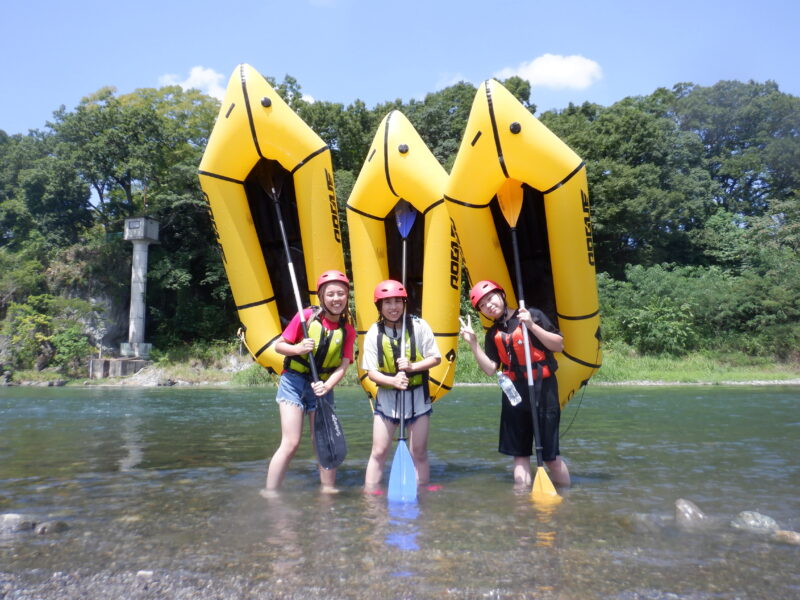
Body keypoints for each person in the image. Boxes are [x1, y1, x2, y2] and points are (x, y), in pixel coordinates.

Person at [459, 280, 571, 487]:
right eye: (482, 305)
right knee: (519, 456)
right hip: (515, 394)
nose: (489, 305)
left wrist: (531, 325)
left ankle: (567, 499)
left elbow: (558, 345)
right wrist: (473, 344)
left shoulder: (532, 315)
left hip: (543, 389)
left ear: (501, 295)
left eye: (490, 298)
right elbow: (491, 369)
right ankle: (521, 505)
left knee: (550, 457)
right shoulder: (492, 334)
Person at [263, 270, 356, 494]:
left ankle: (328, 489)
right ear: (322, 297)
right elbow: (279, 345)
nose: (336, 299)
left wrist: (327, 386)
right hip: (294, 382)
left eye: (341, 294)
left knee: (324, 440)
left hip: (323, 387)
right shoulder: (305, 317)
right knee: (292, 442)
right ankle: (270, 491)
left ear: (346, 297)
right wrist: (297, 348)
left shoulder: (347, 330)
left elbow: (343, 365)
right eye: (331, 294)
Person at [362, 279, 442, 490]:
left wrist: (413, 367)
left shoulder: (418, 326)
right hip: (388, 398)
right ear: (380, 306)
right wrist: (393, 380)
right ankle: (371, 494)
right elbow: (371, 372)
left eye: (398, 301)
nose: (394, 307)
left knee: (419, 451)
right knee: (379, 451)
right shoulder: (373, 333)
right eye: (387, 303)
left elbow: (435, 358)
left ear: (405, 303)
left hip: (417, 397)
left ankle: (422, 489)